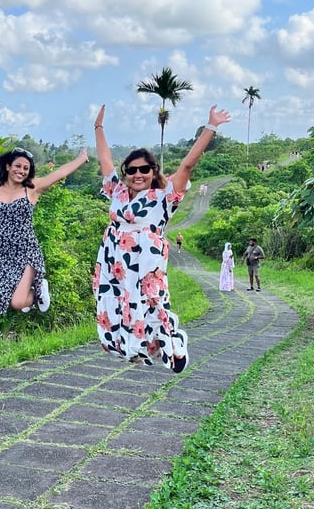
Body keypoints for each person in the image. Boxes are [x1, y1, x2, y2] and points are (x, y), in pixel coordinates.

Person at [93, 104, 231, 373]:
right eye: (131, 170)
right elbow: (104, 160)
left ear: (153, 171)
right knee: (120, 305)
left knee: (153, 300)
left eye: (144, 169)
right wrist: (98, 128)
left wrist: (211, 126)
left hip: (146, 259)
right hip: (114, 259)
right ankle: (133, 348)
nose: (137, 175)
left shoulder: (164, 195)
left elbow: (188, 164)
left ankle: (174, 343)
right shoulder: (118, 191)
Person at [0, 145, 89, 315]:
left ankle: (38, 288)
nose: (21, 171)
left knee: (18, 303)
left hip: (28, 251)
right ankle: (33, 289)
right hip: (6, 254)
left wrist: (81, 158)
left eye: (25, 168)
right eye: (18, 166)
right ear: (8, 167)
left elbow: (60, 173)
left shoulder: (32, 188)